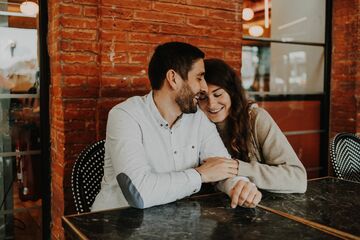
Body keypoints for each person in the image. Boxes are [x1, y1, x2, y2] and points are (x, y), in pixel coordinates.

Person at [92, 42, 262, 211]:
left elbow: (221, 166)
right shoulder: (125, 115)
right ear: (173, 78)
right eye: (199, 77)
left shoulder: (198, 119)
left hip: (176, 220)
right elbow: (138, 193)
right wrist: (200, 174)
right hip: (118, 223)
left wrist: (239, 185)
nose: (204, 87)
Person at [198, 58, 307, 193]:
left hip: (263, 206)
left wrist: (236, 167)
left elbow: (298, 178)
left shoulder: (256, 119)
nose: (211, 104)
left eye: (218, 94)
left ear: (232, 92)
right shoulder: (196, 127)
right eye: (203, 97)